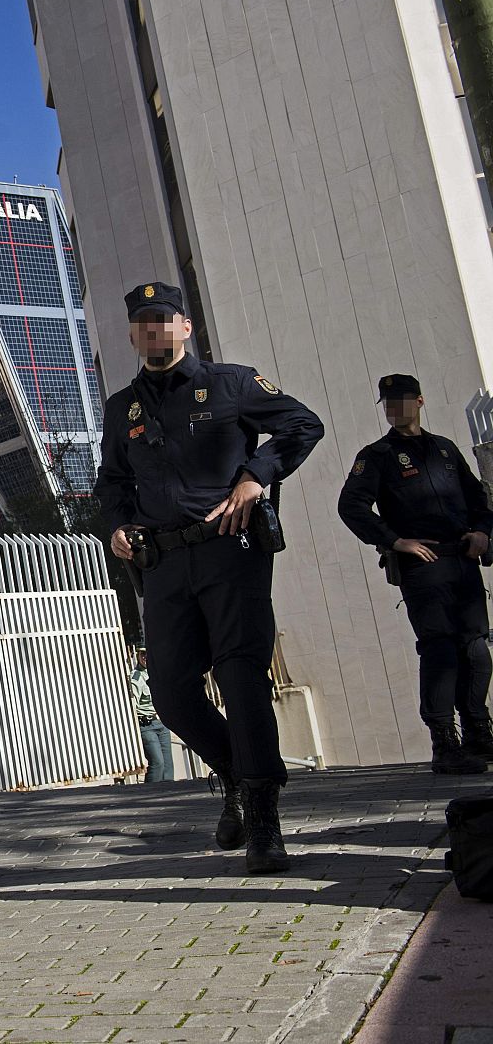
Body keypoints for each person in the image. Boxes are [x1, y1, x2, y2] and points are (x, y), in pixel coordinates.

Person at [94, 282, 324, 874]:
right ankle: (237, 779)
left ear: (185, 326)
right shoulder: (123, 408)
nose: (152, 329)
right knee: (170, 693)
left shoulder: (232, 384)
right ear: (131, 333)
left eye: (162, 319)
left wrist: (255, 476)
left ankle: (265, 823)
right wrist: (117, 523)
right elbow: (113, 479)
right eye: (142, 321)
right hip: (164, 565)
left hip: (230, 550)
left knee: (241, 677)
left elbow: (303, 425)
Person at [336, 374, 493, 774]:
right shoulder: (377, 455)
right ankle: (445, 740)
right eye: (388, 402)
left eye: (402, 400)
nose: (395, 408)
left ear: (419, 401)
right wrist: (393, 541)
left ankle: (478, 729)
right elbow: (351, 506)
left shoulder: (444, 450)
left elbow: (480, 500)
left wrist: (483, 533)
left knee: (475, 647)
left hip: (461, 558)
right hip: (423, 565)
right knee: (439, 648)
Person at [129, 648, 174, 782]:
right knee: (157, 763)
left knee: (168, 765)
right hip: (146, 724)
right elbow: (133, 705)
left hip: (162, 722)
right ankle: (151, 792)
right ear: (138, 656)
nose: (146, 657)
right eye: (143, 654)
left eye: (149, 653)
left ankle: (169, 794)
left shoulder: (159, 673)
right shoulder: (136, 676)